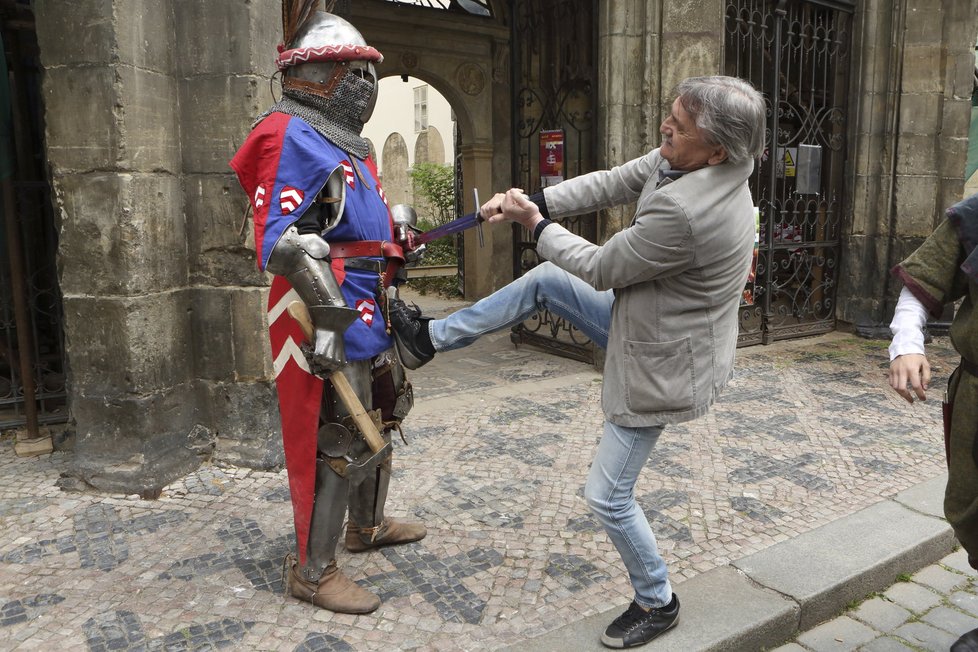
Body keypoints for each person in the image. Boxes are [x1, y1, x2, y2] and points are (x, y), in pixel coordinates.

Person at [391, 75, 766, 648]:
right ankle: (430, 340)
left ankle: (657, 600)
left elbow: (601, 267)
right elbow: (615, 181)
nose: (666, 127)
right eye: (670, 114)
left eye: (680, 126)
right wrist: (532, 199)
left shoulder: (689, 210)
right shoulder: (687, 162)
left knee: (607, 496)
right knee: (545, 280)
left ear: (717, 149)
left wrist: (533, 226)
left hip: (662, 361)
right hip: (646, 323)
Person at [229, 7, 425, 614]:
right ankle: (314, 570)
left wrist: (396, 238)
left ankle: (366, 526)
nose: (364, 87)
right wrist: (330, 326)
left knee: (386, 408)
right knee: (341, 431)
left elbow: (348, 221)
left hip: (372, 298)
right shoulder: (287, 131)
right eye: (353, 72)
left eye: (368, 73)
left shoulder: (350, 143)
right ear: (320, 75)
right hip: (326, 305)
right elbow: (283, 242)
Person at [887, 192, 978, 652]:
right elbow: (921, 283)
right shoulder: (976, 215)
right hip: (977, 399)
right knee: (970, 509)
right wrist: (906, 343)